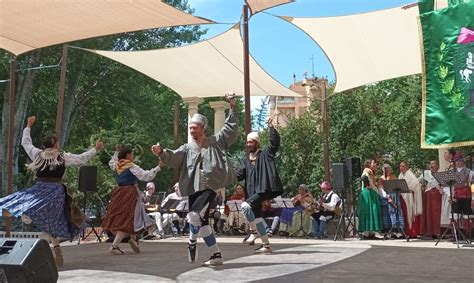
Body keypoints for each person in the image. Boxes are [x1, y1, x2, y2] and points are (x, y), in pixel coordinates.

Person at [0, 116, 104, 267]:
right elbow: (82, 159)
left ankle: (24, 215)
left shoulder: (37, 154)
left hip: (39, 190)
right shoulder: (62, 157)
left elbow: (25, 143)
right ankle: (53, 244)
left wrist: (28, 126)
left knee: (26, 207)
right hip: (56, 192)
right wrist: (95, 149)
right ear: (55, 144)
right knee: (54, 221)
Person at [151, 93, 238, 266]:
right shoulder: (187, 148)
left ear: (203, 128)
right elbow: (174, 157)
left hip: (210, 188)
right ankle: (216, 255)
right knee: (203, 224)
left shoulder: (215, 142)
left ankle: (191, 242)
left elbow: (230, 128)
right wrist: (161, 152)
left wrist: (233, 106)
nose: (192, 131)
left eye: (195, 127)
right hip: (193, 189)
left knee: (193, 215)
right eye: (190, 128)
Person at [101, 145, 161, 255]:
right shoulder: (131, 166)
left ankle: (133, 238)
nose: (133, 156)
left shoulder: (117, 165)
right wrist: (158, 167)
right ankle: (115, 245)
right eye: (132, 154)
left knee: (132, 217)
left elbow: (111, 162)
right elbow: (146, 176)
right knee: (129, 218)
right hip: (130, 193)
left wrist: (116, 152)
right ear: (128, 155)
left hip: (119, 193)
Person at [237, 117, 283, 254]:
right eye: (247, 142)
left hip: (263, 190)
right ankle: (266, 246)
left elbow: (274, 144)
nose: (248, 144)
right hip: (252, 192)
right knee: (257, 219)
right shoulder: (246, 160)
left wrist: (271, 128)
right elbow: (239, 175)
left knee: (245, 206)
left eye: (251, 142)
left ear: (257, 143)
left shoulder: (265, 155)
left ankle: (253, 232)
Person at [359, 159, 383, 239]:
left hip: (369, 192)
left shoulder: (369, 172)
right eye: (373, 163)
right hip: (369, 193)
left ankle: (369, 232)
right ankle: (370, 232)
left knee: (370, 211)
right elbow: (363, 177)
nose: (375, 164)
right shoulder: (367, 171)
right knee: (372, 210)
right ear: (369, 164)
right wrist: (367, 184)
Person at [399, 161, 423, 238]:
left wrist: (409, 189)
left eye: (403, 166)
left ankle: (413, 232)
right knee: (405, 215)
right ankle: (407, 232)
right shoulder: (400, 175)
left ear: (406, 167)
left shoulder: (410, 175)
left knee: (411, 214)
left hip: (409, 197)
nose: (401, 168)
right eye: (400, 166)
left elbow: (416, 183)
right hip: (403, 197)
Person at [418, 160, 442, 238]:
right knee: (429, 213)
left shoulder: (441, 173)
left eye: (433, 164)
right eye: (430, 164)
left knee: (437, 214)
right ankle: (430, 231)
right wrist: (421, 185)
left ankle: (438, 232)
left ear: (437, 166)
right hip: (428, 195)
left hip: (438, 195)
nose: (431, 165)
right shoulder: (426, 173)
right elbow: (418, 181)